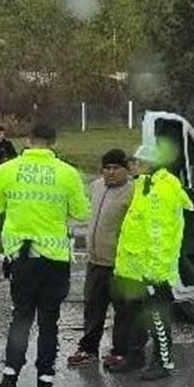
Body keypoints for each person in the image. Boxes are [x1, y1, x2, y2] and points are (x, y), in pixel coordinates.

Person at [0, 123, 90, 387]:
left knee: (21, 318)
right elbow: (82, 212)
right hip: (55, 259)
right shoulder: (67, 173)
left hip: (22, 258)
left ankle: (9, 382)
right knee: (49, 322)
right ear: (54, 142)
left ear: (28, 140)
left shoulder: (7, 170)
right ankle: (45, 386)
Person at [108, 142, 193, 380]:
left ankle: (163, 362)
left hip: (152, 271)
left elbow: (160, 235)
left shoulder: (161, 190)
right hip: (136, 269)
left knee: (156, 317)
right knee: (136, 315)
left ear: (148, 164)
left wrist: (154, 273)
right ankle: (135, 356)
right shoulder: (145, 184)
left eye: (136, 161)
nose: (132, 165)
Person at [66, 149, 134, 368]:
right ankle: (88, 349)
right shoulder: (96, 186)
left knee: (123, 311)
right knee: (93, 308)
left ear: (126, 169)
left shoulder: (133, 191)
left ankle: (121, 351)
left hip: (119, 264)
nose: (111, 172)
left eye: (116, 168)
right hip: (95, 261)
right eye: (107, 168)